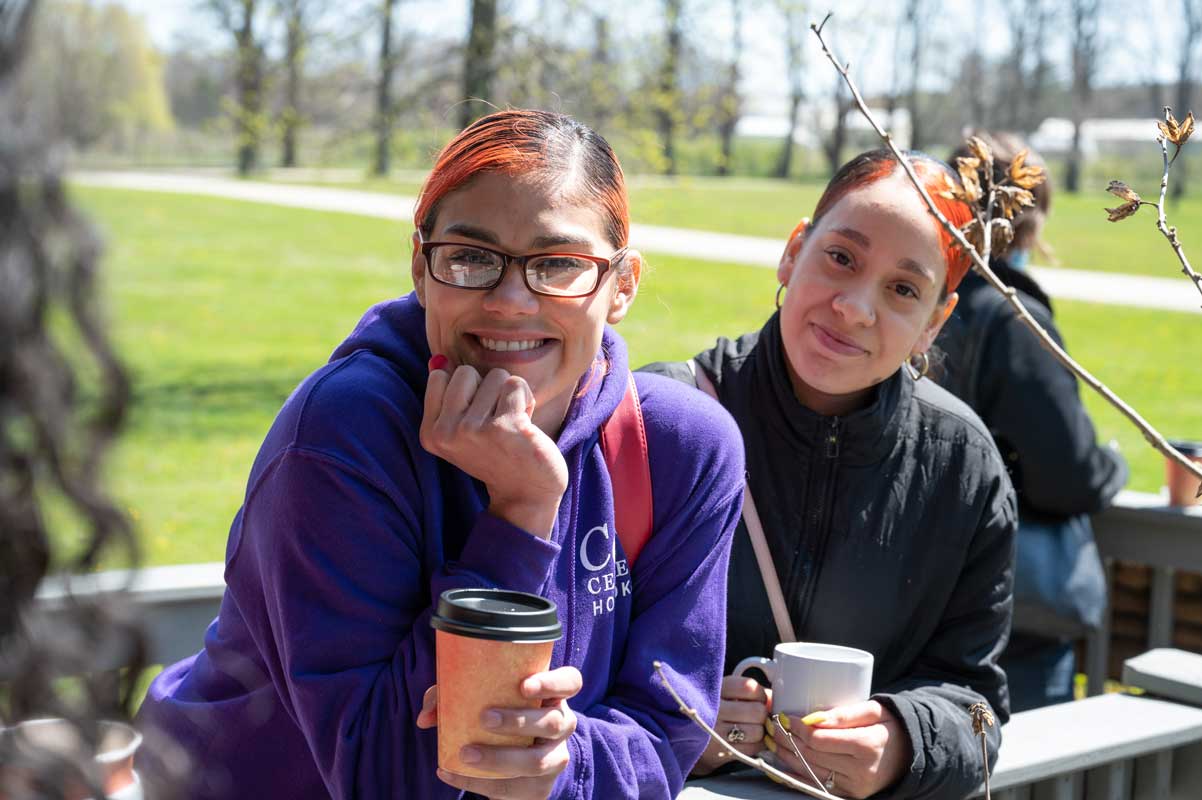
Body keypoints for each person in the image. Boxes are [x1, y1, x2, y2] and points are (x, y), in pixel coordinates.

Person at [135, 109, 745, 799]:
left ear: (623, 284)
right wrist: (519, 518)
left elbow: (669, 730)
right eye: (471, 258)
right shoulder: (341, 435)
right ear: (421, 269)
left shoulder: (680, 450)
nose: (511, 300)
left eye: (558, 264)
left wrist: (559, 770)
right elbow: (383, 780)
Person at [642, 149, 1017, 799]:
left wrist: (903, 741)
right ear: (794, 251)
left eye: (903, 289)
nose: (854, 308)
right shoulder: (660, 421)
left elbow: (977, 701)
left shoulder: (963, 465)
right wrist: (665, 719)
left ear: (935, 320)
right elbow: (571, 644)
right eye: (841, 257)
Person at [936, 132, 1127, 712]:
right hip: (1006, 633)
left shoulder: (915, 299)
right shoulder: (1015, 320)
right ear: (1029, 221)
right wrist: (1112, 465)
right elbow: (1066, 472)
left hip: (911, 604)